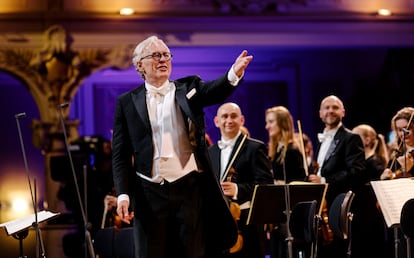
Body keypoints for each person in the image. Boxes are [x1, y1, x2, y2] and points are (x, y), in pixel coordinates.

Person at [111, 35, 253, 258]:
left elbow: (214, 90)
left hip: (189, 189)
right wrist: (123, 195)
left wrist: (233, 73)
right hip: (148, 192)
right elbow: (120, 155)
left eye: (166, 55)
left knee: (192, 252)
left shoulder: (188, 88)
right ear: (140, 65)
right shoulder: (126, 102)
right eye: (155, 55)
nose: (162, 60)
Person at [208, 102, 273, 258]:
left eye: (233, 116)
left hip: (247, 224)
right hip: (219, 223)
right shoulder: (210, 152)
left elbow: (266, 185)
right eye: (224, 116)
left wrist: (238, 189)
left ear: (242, 120)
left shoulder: (255, 148)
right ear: (216, 122)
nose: (229, 120)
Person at [307, 95, 366, 258]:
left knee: (338, 251)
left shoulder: (351, 138)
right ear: (320, 113)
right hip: (322, 206)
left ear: (343, 112)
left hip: (338, 207)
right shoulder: (320, 140)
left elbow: (357, 172)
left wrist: (325, 181)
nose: (330, 111)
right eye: (327, 107)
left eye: (335, 107)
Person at [264, 106, 307, 258]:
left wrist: (280, 184)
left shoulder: (292, 150)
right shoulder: (275, 150)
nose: (267, 126)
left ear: (282, 123)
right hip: (278, 210)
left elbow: (300, 182)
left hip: (289, 213)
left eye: (271, 122)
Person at [381, 107, 414, 180]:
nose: (403, 133)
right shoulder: (397, 154)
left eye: (407, 128)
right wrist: (384, 178)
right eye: (399, 130)